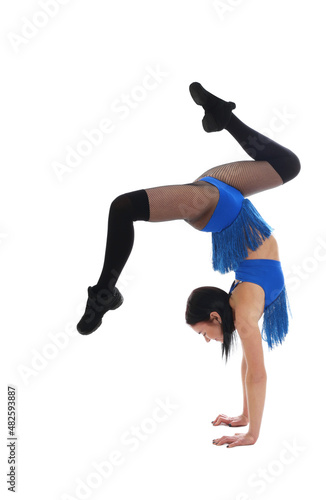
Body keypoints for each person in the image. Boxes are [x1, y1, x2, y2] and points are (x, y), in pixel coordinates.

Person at [77, 82, 300, 448]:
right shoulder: (242, 314)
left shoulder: (242, 307)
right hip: (222, 197)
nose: (207, 340)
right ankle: (104, 293)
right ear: (215, 317)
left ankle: (222, 116)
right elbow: (255, 372)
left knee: (288, 166)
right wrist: (251, 430)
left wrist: (248, 418)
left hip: (220, 200)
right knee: (123, 208)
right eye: (204, 334)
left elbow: (250, 366)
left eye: (202, 335)